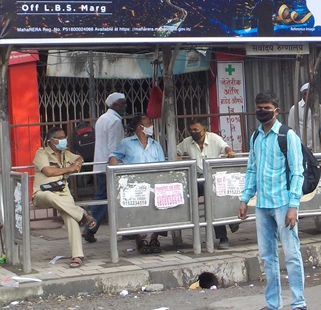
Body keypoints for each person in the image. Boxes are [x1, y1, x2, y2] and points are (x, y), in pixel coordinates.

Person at [238, 91, 308, 310]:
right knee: (267, 256)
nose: (262, 111)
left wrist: (293, 206)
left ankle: (299, 304)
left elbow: (298, 172)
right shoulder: (256, 137)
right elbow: (252, 169)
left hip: (283, 204)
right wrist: (245, 198)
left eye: (266, 107)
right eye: (259, 107)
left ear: (276, 110)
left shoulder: (288, 136)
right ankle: (274, 303)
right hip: (262, 205)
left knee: (291, 254)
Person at [32, 127, 96, 268]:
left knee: (70, 216)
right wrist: (69, 169)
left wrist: (78, 162)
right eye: (60, 138)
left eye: (64, 137)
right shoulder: (41, 153)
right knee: (50, 196)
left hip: (62, 191)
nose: (63, 140)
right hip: (43, 192)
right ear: (51, 140)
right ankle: (83, 213)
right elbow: (48, 171)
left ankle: (77, 256)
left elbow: (79, 157)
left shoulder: (66, 153)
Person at [176, 117, 238, 249]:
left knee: (213, 205)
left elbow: (225, 147)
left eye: (196, 130)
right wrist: (178, 158)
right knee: (183, 199)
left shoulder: (214, 138)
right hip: (196, 179)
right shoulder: (187, 142)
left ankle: (223, 235)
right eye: (191, 130)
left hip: (213, 178)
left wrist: (230, 152)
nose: (193, 132)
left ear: (204, 130)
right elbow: (177, 151)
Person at [109, 114, 166, 253]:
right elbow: (113, 156)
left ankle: (154, 238)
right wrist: (116, 171)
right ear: (140, 127)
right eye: (149, 124)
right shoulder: (126, 143)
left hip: (153, 183)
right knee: (134, 213)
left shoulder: (155, 144)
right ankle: (139, 240)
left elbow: (163, 164)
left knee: (161, 208)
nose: (151, 126)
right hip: (134, 185)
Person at [84, 92, 127, 244]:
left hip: (101, 164)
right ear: (115, 105)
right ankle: (91, 228)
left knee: (102, 197)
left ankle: (91, 228)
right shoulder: (115, 121)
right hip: (110, 166)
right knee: (118, 197)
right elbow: (114, 147)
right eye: (122, 103)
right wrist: (117, 166)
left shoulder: (103, 118)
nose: (124, 106)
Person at [288, 82, 321, 149]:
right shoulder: (295, 108)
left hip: (316, 146)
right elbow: (291, 128)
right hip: (301, 145)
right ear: (304, 95)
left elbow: (319, 124)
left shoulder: (319, 107)